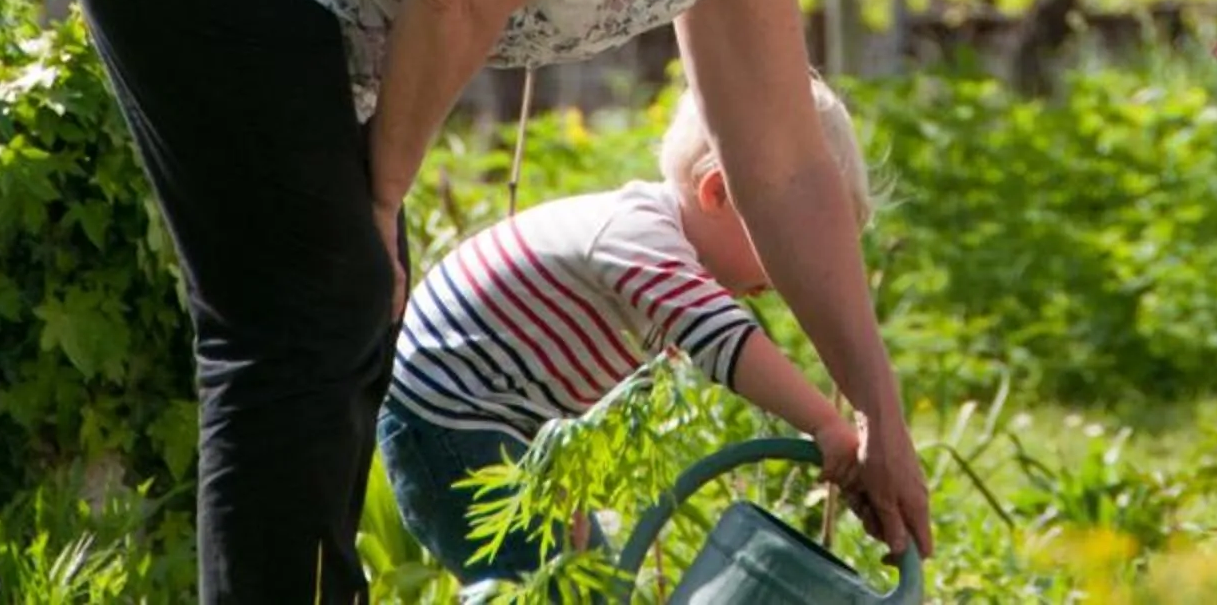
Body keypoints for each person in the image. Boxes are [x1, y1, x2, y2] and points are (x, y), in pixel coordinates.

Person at [37, 0, 1002, 603]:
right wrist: (380, 200)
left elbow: (786, 166)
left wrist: (879, 415)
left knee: (339, 311)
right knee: (314, 309)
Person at [377, 79, 879, 582]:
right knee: (544, 589)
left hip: (502, 420)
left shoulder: (663, 264)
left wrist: (566, 478)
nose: (793, 272)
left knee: (591, 585)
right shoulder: (640, 237)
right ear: (720, 192)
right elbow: (726, 340)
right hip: (447, 418)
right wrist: (826, 424)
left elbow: (570, 384)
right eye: (788, 245)